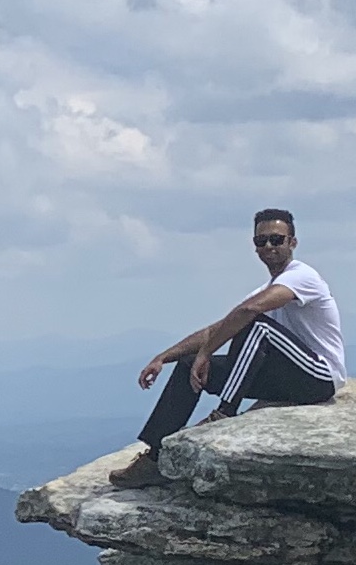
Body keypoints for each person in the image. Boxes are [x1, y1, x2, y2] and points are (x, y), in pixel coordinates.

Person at [109, 208, 342, 487]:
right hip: (285, 379)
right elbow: (218, 329)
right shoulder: (267, 289)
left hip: (318, 378)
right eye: (261, 241)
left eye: (277, 239)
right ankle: (155, 457)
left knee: (256, 326)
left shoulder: (302, 276)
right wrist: (166, 357)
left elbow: (248, 311)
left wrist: (207, 354)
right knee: (188, 365)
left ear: (292, 242)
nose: (268, 246)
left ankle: (224, 413)